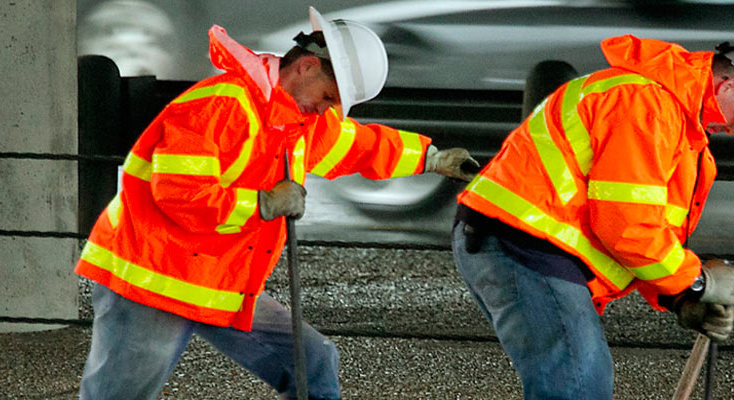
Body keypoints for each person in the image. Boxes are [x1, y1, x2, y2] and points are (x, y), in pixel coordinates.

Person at [75, 7, 477, 400]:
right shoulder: (221, 105)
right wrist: (264, 204)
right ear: (306, 67)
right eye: (329, 96)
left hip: (215, 278)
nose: (328, 110)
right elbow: (182, 195)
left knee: (313, 362)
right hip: (149, 278)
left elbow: (358, 145)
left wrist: (430, 158)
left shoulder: (297, 122)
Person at [451, 33, 734, 399]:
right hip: (523, 245)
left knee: (578, 379)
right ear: (729, 86)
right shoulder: (647, 105)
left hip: (522, 245)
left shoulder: (675, 125)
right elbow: (625, 225)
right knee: (579, 385)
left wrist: (680, 298)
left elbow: (649, 234)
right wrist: (696, 283)